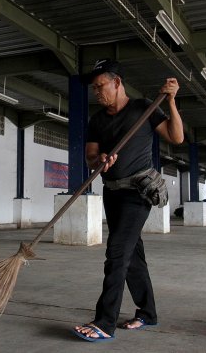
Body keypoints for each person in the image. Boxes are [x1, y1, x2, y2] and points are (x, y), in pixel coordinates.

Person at [73, 59, 184, 342]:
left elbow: (176, 136)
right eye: (94, 88)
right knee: (132, 256)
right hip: (112, 192)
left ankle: (105, 322)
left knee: (118, 252)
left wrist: (171, 100)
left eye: (101, 86)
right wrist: (99, 160)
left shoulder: (143, 108)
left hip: (138, 193)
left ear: (117, 82)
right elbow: (89, 158)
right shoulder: (97, 120)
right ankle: (147, 313)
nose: (97, 92)